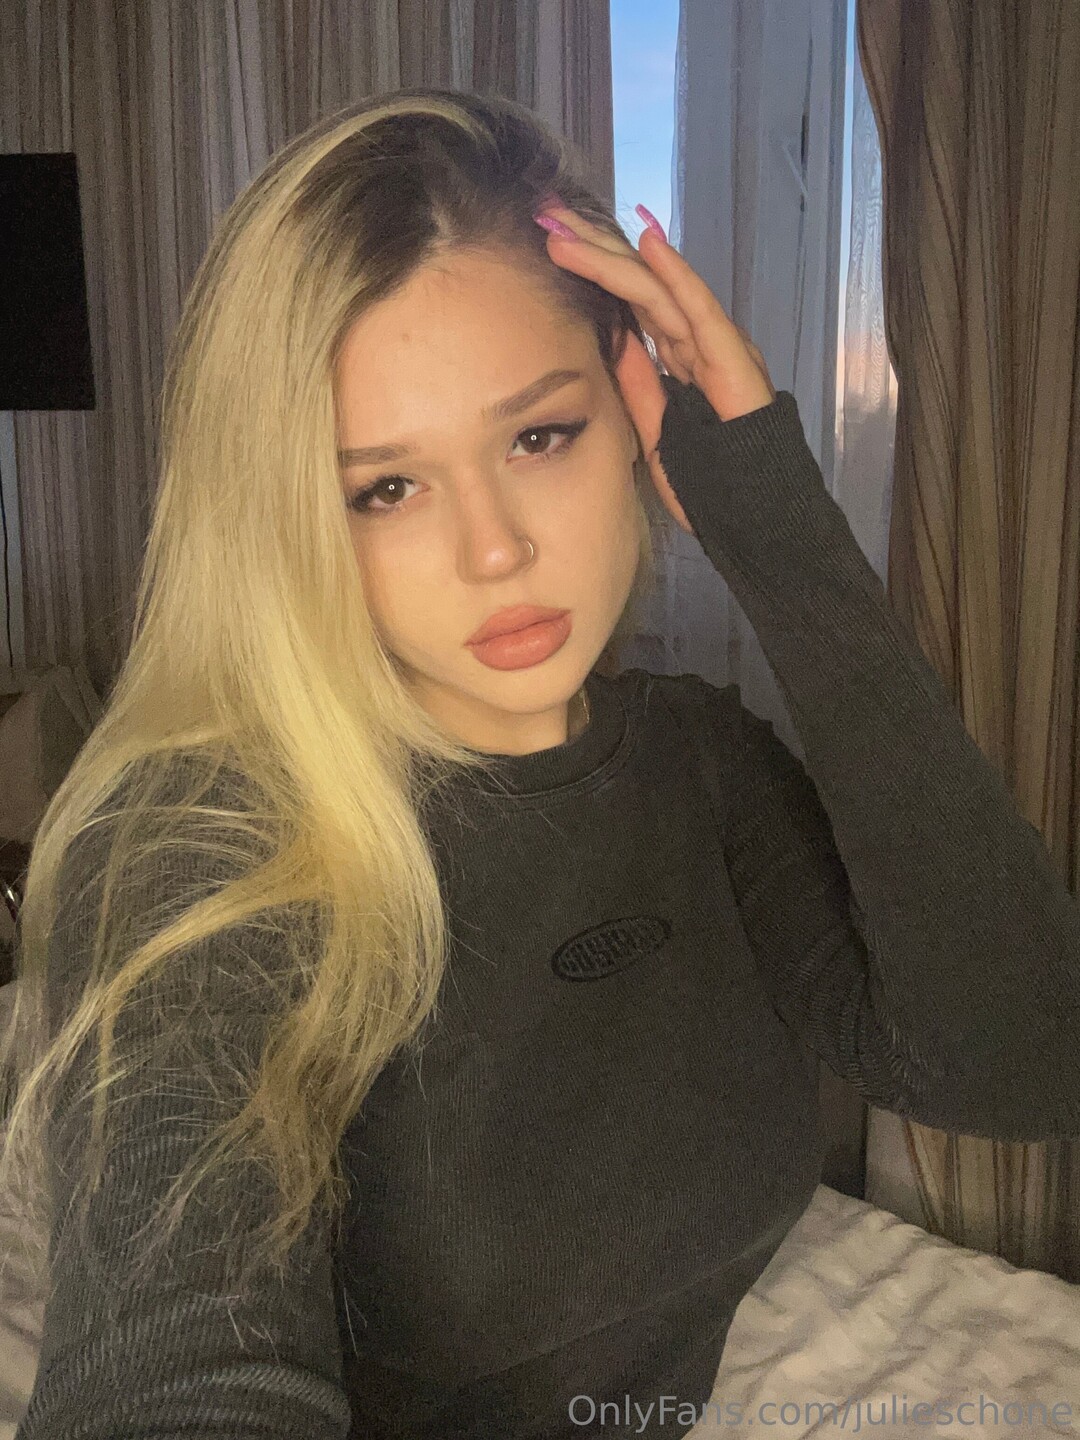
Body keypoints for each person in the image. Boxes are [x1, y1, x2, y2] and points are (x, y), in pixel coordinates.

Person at [3, 85, 1079, 1440]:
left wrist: (778, 528)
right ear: (286, 523)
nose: (495, 547)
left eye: (538, 435)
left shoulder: (702, 765)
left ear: (634, 412)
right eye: (384, 487)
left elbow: (1018, 1060)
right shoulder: (206, 846)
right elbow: (177, 1372)